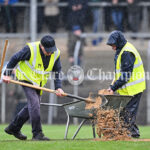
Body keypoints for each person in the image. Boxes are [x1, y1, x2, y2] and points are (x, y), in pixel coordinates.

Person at [3, 35, 64, 141]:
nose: (50, 53)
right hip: (26, 79)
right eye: (47, 51)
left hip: (38, 83)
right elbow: (14, 58)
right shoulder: (30, 49)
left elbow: (57, 71)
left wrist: (58, 87)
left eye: (51, 51)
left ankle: (13, 128)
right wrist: (7, 74)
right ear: (41, 46)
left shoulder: (56, 53)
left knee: (32, 106)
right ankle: (37, 134)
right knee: (35, 104)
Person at [106, 30, 146, 138]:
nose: (112, 47)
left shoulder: (127, 52)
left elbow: (125, 76)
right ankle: (133, 133)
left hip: (134, 89)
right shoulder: (122, 49)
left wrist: (113, 87)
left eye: (113, 45)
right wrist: (111, 86)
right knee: (126, 113)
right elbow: (119, 72)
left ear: (118, 42)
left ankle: (129, 135)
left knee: (128, 113)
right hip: (129, 89)